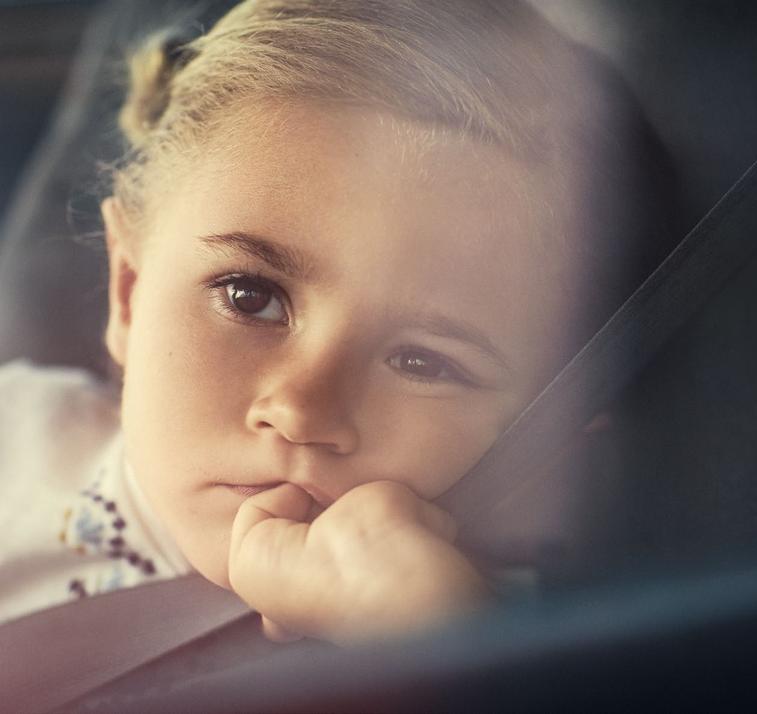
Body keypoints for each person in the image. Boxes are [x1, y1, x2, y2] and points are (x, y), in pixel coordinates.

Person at [0, 0, 677, 643]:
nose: (301, 411)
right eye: (248, 297)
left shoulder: (491, 626)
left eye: (424, 361)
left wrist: (432, 635)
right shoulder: (17, 445)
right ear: (128, 290)